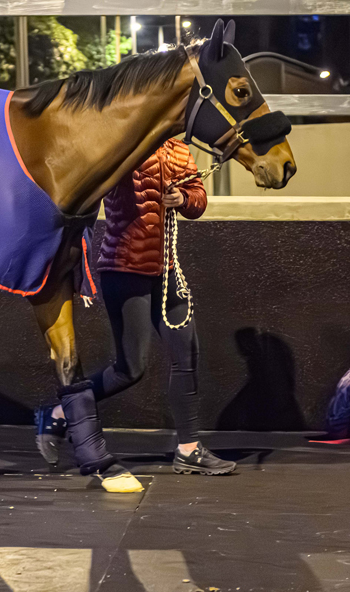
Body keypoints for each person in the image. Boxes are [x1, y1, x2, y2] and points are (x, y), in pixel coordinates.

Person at [34, 138, 237, 475]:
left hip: (167, 270)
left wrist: (183, 198)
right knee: (131, 368)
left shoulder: (179, 150)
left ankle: (188, 448)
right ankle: (59, 413)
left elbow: (198, 202)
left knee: (186, 354)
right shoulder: (125, 144)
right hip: (125, 268)